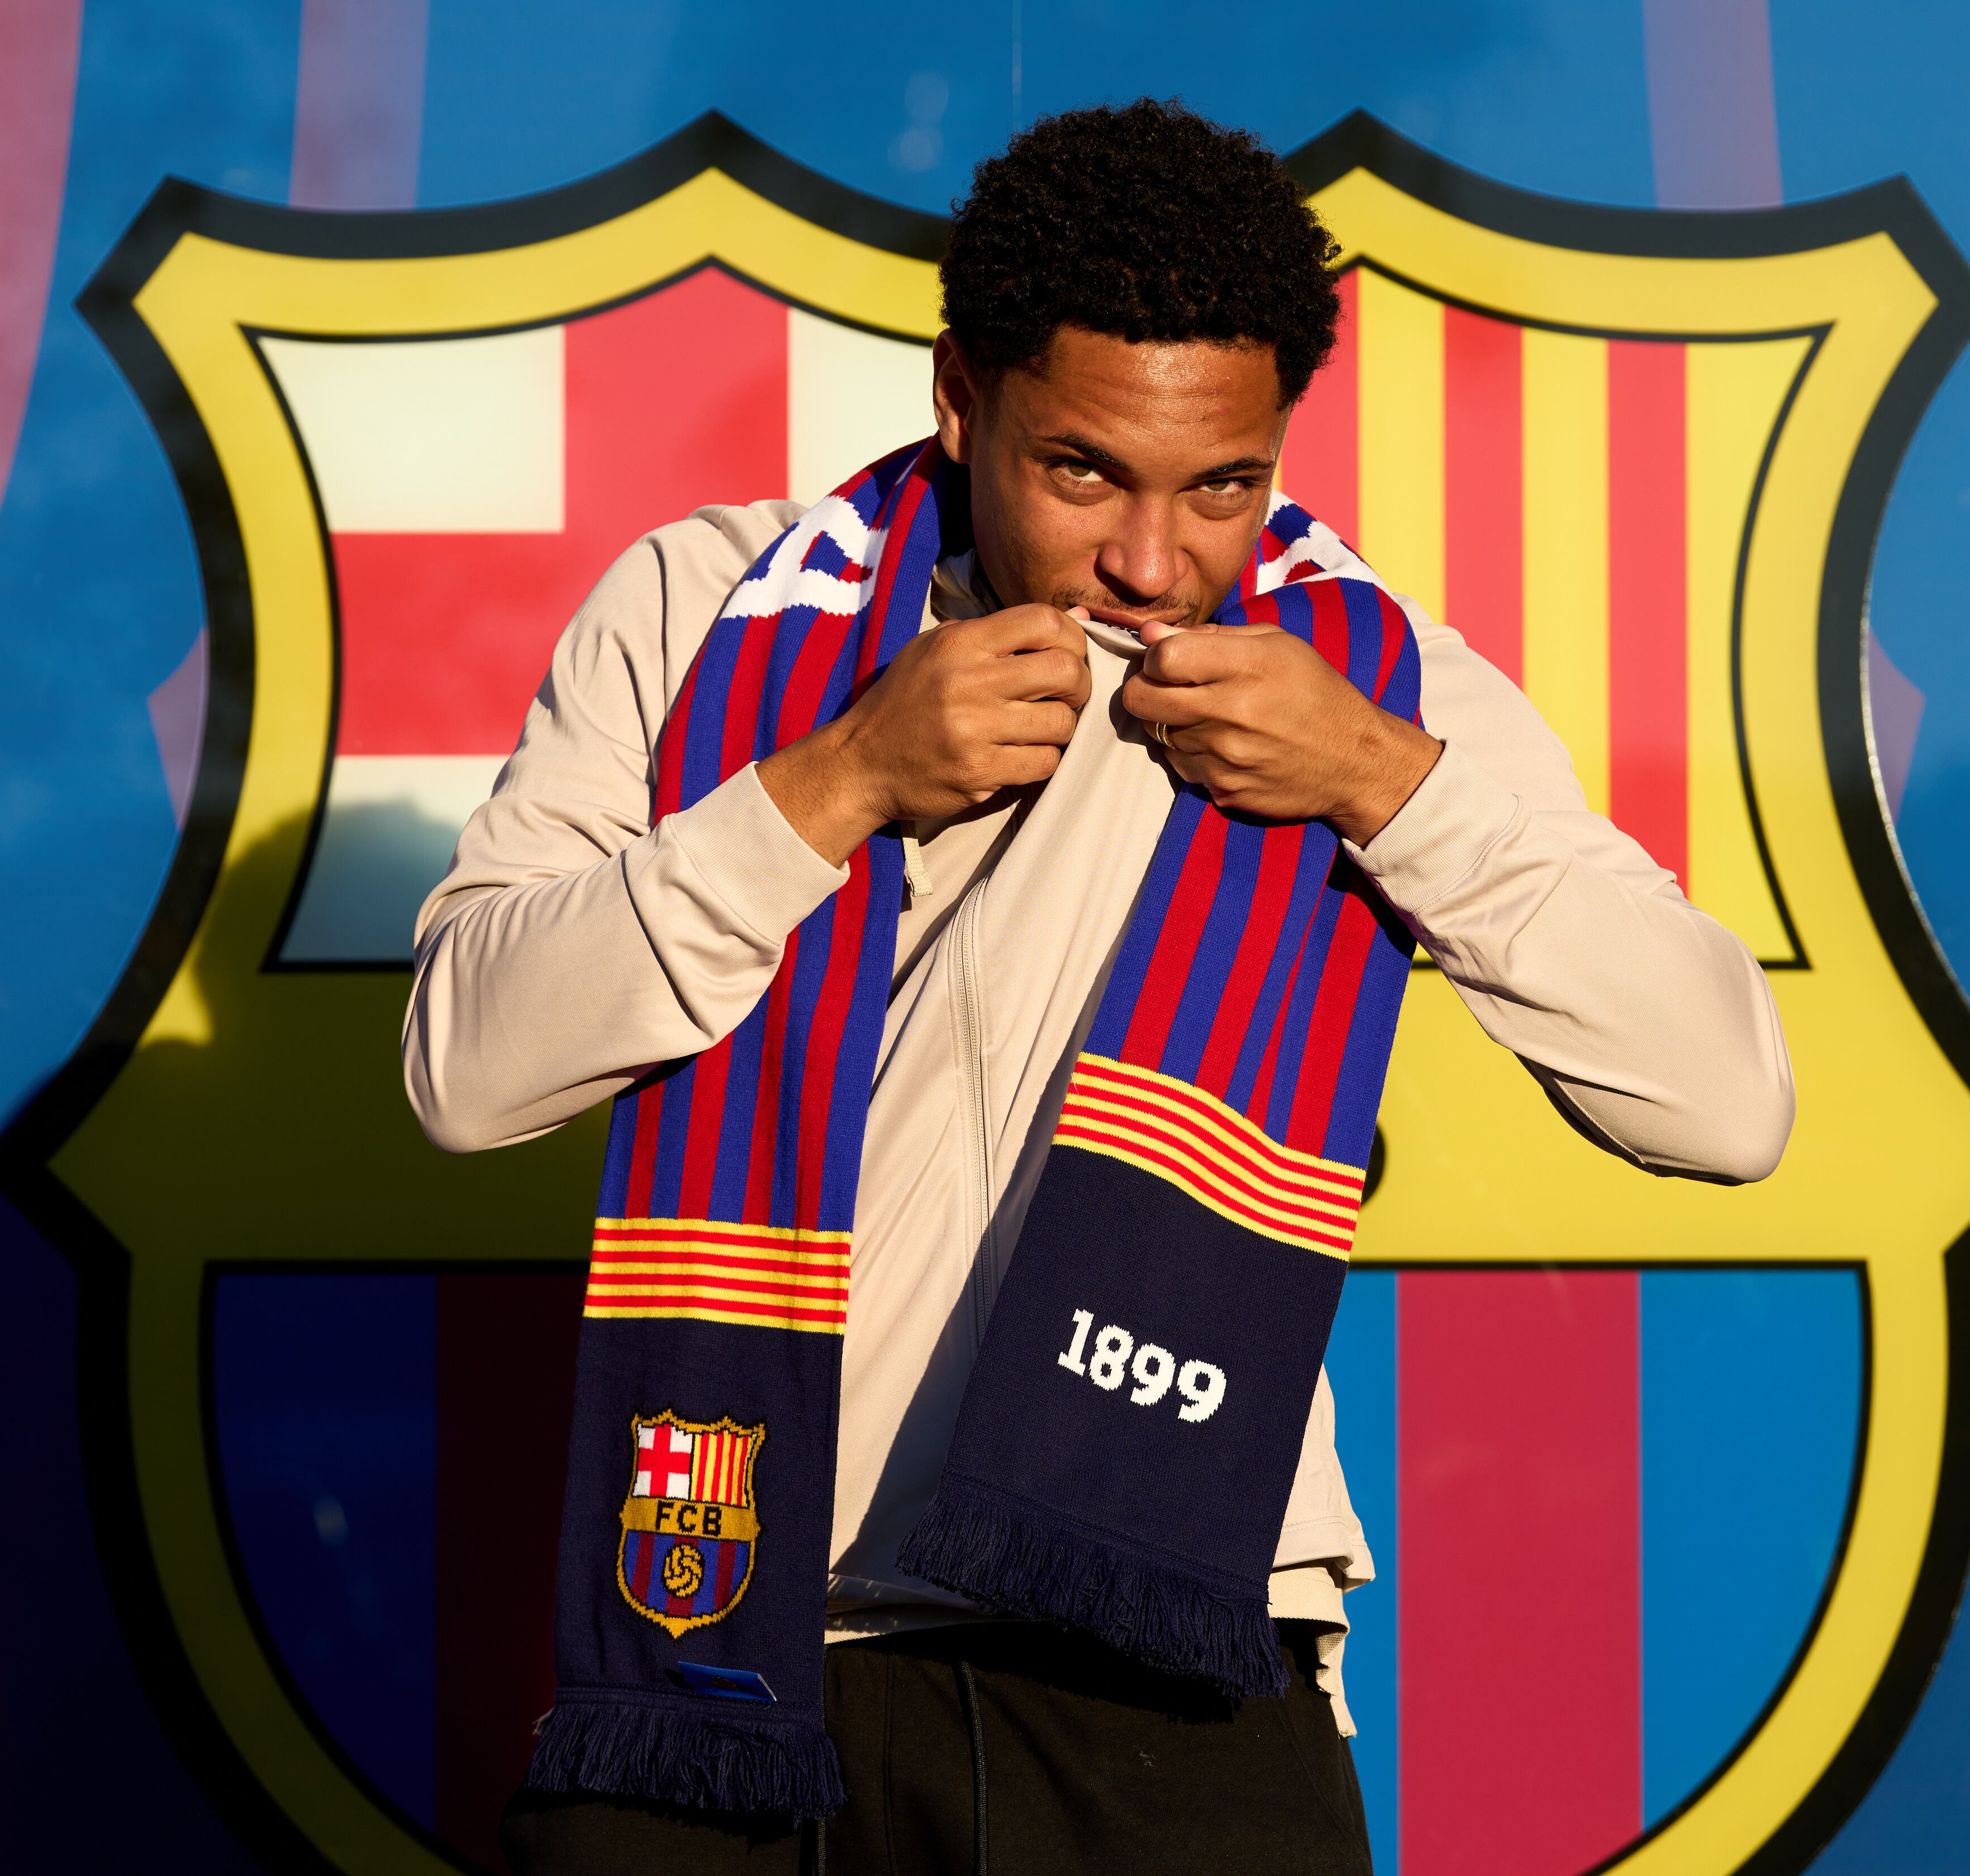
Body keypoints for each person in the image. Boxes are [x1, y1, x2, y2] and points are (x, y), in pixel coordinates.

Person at [404, 98, 1792, 1876]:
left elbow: (1726, 1103)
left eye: (1222, 485)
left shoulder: (1364, 680)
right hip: (729, 1652)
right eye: (1083, 473)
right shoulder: (698, 609)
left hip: (1169, 1656)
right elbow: (466, 1074)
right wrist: (829, 785)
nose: (1152, 558)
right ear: (959, 400)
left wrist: (1387, 784)